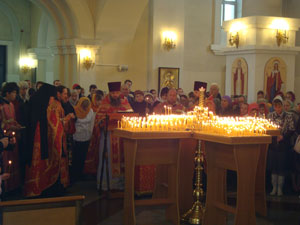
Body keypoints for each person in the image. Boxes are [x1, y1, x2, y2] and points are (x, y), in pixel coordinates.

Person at [24, 84, 75, 197]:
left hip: (42, 141)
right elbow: (54, 125)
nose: (52, 100)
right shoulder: (44, 106)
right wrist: (66, 119)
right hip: (40, 143)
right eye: (52, 97)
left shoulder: (40, 104)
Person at [97, 82, 132, 191]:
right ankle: (107, 185)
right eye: (113, 93)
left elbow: (131, 114)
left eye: (117, 92)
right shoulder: (104, 103)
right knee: (108, 158)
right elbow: (98, 119)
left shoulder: (124, 101)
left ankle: (121, 185)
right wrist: (107, 119)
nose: (115, 95)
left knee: (123, 158)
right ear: (110, 93)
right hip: (108, 135)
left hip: (123, 134)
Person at [267, 95, 295, 196]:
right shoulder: (270, 115)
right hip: (273, 144)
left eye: (279, 106)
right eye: (276, 106)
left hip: (283, 145)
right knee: (274, 166)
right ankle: (274, 187)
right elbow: (268, 127)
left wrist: (283, 136)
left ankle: (280, 188)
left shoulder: (289, 115)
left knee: (281, 166)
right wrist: (275, 136)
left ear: (282, 106)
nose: (278, 108)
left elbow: (292, 129)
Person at [0, 83, 21, 192]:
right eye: (13, 93)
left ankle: (13, 185)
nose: (15, 95)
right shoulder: (1, 105)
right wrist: (9, 128)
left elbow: (13, 119)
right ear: (7, 93)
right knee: (6, 160)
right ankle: (5, 186)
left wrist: (17, 125)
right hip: (4, 138)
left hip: (13, 136)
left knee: (13, 160)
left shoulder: (12, 105)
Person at [72, 97, 94, 183]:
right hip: (77, 135)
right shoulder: (75, 109)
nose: (85, 109)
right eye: (83, 107)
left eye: (86, 107)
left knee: (84, 156)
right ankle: (75, 174)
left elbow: (90, 121)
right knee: (76, 156)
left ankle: (82, 173)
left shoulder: (90, 111)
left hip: (87, 135)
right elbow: (74, 121)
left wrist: (91, 133)